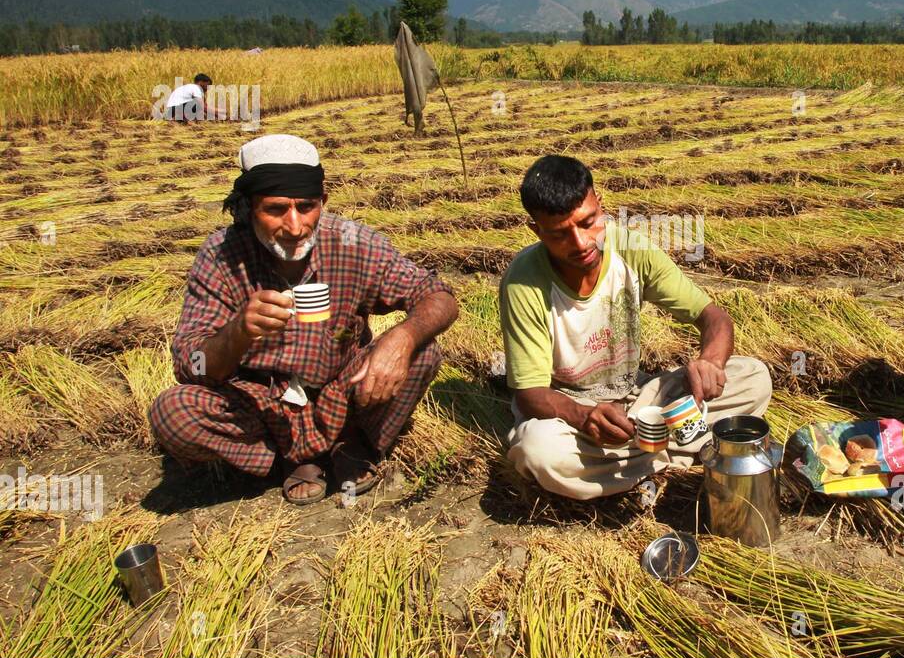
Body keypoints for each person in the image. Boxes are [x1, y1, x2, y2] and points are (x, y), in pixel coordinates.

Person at [148, 134, 459, 504]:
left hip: (342, 392)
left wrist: (403, 338)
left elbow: (438, 296)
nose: (295, 227)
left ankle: (350, 443)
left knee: (424, 351)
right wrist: (237, 332)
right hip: (263, 406)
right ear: (248, 207)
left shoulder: (353, 243)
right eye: (276, 209)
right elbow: (191, 367)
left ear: (323, 202)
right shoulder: (221, 257)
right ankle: (291, 458)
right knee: (173, 413)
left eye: (306, 207)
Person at [500, 155, 772, 504]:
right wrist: (585, 418)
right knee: (539, 452)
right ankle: (673, 454)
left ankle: (634, 464)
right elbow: (531, 394)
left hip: (634, 399)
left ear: (601, 205)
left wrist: (711, 362)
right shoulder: (524, 282)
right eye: (560, 234)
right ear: (536, 230)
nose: (582, 243)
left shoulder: (631, 249)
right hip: (569, 415)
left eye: (588, 223)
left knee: (753, 377)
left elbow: (713, 317)